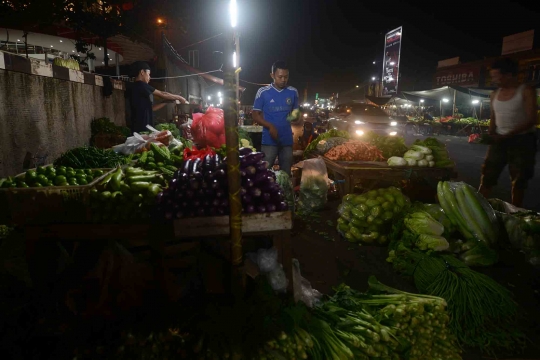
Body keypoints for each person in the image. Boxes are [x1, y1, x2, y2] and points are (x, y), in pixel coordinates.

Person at [479, 58, 537, 207]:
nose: (493, 80)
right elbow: (493, 117)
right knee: (488, 175)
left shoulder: (526, 91)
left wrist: (506, 135)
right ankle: (479, 205)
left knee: (519, 179)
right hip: (499, 140)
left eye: (496, 76)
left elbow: (531, 119)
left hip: (523, 141)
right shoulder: (494, 94)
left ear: (509, 75)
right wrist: (490, 133)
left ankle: (516, 211)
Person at [252, 61, 300, 176]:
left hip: (287, 141)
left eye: (286, 77)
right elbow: (255, 115)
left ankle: (285, 194)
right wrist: (270, 126)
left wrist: (295, 118)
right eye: (280, 77)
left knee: (286, 174)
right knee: (265, 173)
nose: (283, 79)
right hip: (269, 141)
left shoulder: (293, 92)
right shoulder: (263, 92)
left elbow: (296, 113)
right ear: (272, 75)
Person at [129, 61, 187, 133]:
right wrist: (180, 97)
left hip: (143, 128)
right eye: (148, 74)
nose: (149, 77)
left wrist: (165, 102)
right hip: (141, 128)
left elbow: (151, 109)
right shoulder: (141, 85)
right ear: (142, 72)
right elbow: (162, 93)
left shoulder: (138, 87)